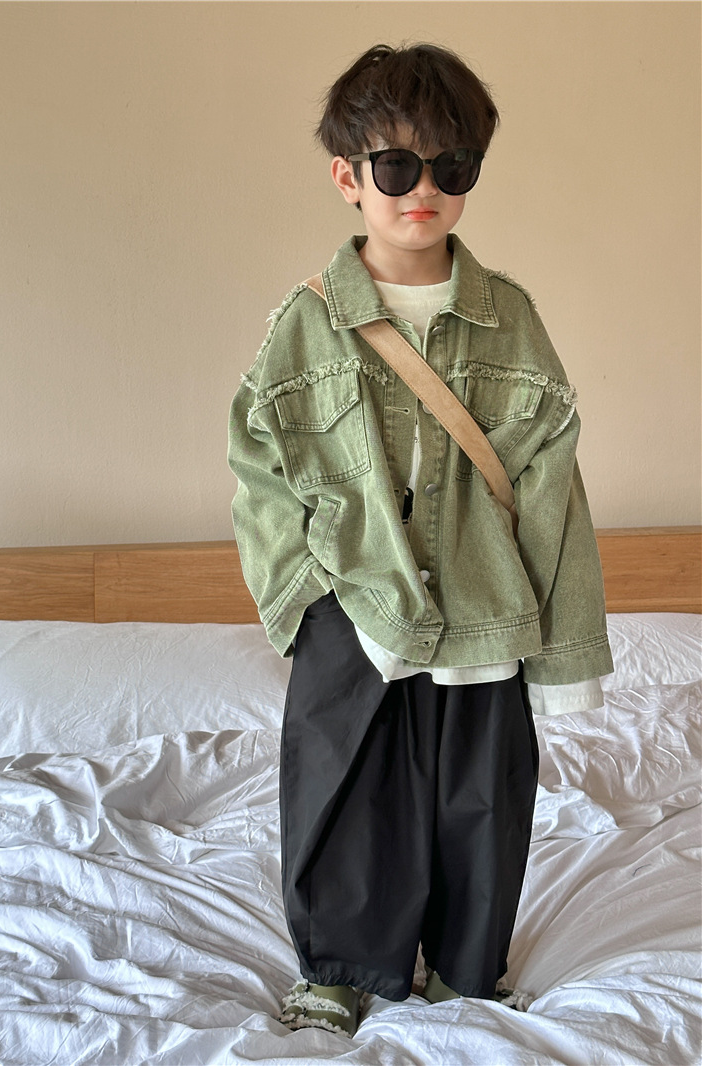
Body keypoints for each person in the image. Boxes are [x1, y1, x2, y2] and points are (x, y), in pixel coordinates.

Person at [227, 42, 613, 1038]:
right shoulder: (304, 325)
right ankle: (337, 967)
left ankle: (465, 967)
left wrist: (562, 647)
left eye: (452, 166)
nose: (423, 190)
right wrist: (305, 600)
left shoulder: (510, 320)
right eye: (395, 165)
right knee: (345, 788)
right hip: (353, 607)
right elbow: (260, 471)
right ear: (346, 177)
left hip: (485, 609)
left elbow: (551, 487)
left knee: (482, 799)